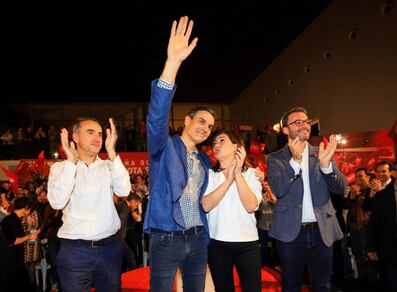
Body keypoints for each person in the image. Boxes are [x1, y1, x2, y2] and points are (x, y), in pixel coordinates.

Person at [143, 16, 215, 291]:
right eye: (200, 121)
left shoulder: (204, 160)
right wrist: (172, 63)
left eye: (210, 126)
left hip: (197, 237)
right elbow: (156, 116)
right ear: (186, 121)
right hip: (166, 238)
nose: (205, 128)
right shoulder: (163, 147)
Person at [267, 107, 347, 292]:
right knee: (291, 284)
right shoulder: (275, 159)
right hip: (289, 232)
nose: (304, 125)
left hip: (322, 230)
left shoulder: (321, 153)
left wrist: (327, 167)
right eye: (297, 122)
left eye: (306, 121)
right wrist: (294, 161)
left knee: (322, 285)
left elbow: (341, 188)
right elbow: (279, 189)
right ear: (286, 130)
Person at [47, 117, 131, 292]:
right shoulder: (60, 168)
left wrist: (112, 153)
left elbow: (124, 191)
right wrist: (71, 162)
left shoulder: (110, 165)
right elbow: (56, 202)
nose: (97, 138)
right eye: (90, 132)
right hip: (75, 252)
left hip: (110, 249)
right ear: (75, 137)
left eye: (100, 134)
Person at [201, 130, 262, 292]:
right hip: (217, 244)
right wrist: (228, 180)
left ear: (237, 146)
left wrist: (237, 174)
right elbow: (206, 205)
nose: (216, 145)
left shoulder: (252, 174)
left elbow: (250, 206)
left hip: (247, 244)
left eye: (221, 140)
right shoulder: (209, 175)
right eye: (214, 143)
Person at [366, 159, 397, 292]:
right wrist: (370, 247)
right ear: (394, 173)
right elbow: (374, 223)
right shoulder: (382, 196)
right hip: (392, 247)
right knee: (396, 285)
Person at [1, 196, 40, 291]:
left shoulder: (14, 219)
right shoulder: (10, 220)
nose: (30, 212)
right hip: (12, 260)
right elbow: (12, 241)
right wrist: (30, 236)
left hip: (16, 258)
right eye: (29, 209)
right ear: (26, 207)